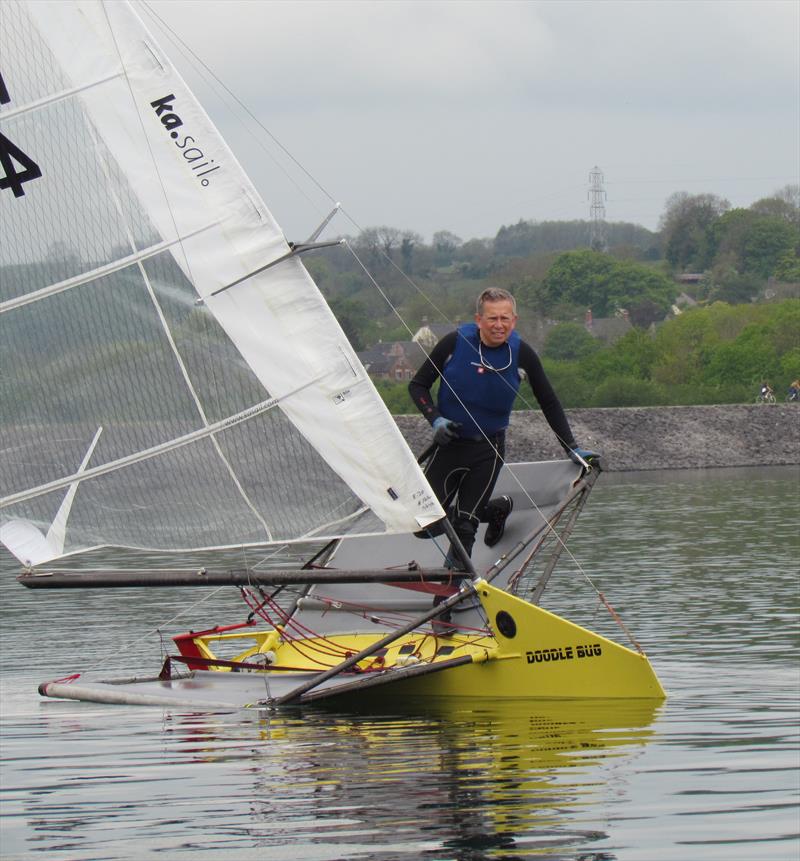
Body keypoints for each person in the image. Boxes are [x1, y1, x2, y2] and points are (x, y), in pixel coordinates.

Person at [409, 287, 597, 570]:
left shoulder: (522, 353)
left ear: (514, 320)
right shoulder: (454, 343)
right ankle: (497, 509)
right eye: (492, 318)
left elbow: (548, 400)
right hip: (449, 445)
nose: (499, 325)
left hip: (488, 449)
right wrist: (434, 419)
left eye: (505, 319)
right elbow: (417, 385)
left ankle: (447, 601)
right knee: (424, 527)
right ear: (479, 319)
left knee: (465, 526)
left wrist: (571, 447)